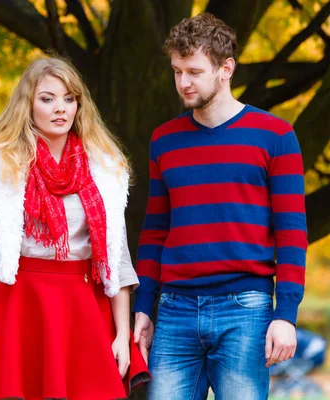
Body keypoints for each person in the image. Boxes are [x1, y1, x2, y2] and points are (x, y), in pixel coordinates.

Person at [132, 13, 307, 400]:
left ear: (226, 68)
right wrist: (143, 305)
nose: (183, 82)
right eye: (177, 71)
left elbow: (292, 232)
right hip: (174, 309)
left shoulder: (276, 135)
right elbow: (155, 230)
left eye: (193, 71)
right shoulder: (164, 141)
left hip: (245, 309)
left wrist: (286, 315)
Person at [0, 57, 150, 400]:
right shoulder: (0, 167)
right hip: (18, 306)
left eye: (69, 98)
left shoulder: (105, 168)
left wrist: (123, 333)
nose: (60, 108)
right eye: (47, 99)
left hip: (83, 306)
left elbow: (116, 259)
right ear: (27, 104)